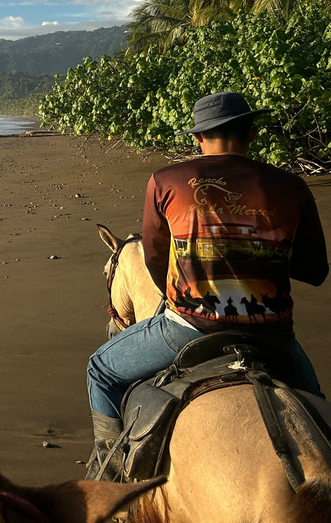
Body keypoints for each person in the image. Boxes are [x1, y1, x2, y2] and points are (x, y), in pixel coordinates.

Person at [85, 91, 328, 478]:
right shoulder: (290, 186)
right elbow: (315, 270)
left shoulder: (166, 181)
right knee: (318, 414)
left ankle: (111, 474)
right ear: (252, 133)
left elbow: (153, 256)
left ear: (198, 138)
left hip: (190, 327)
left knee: (101, 369)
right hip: (273, 333)